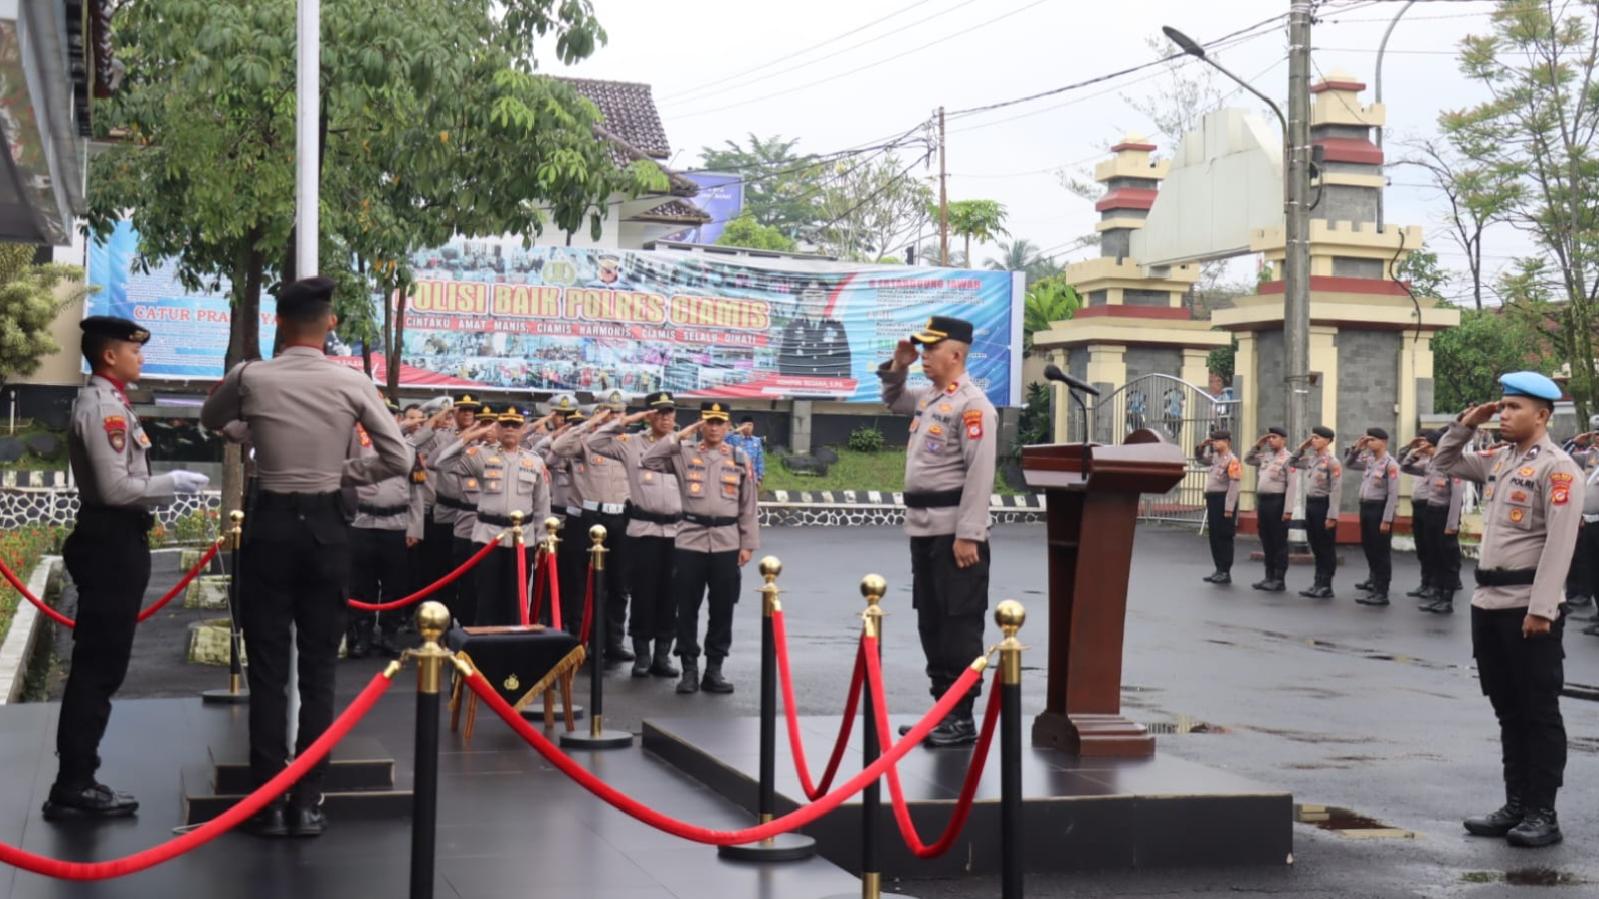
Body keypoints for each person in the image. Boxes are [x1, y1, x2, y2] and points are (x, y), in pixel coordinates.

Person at [201, 276, 411, 838]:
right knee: (319, 671)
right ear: (331, 324)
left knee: (268, 672)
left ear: (277, 323)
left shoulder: (251, 376)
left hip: (269, 526)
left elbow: (210, 419)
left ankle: (267, 802)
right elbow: (398, 455)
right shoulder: (351, 382)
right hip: (325, 529)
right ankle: (309, 800)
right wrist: (342, 472)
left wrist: (258, 435)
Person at [44, 317, 209, 821]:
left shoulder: (114, 404)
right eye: (134, 350)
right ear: (110, 356)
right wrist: (171, 483)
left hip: (117, 540)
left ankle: (78, 777)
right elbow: (115, 490)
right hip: (110, 540)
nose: (142, 357)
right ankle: (74, 783)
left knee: (102, 666)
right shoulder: (101, 409)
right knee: (98, 667)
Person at [1434, 371, 1583, 848]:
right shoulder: (1499, 460)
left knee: (1538, 711)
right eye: (1501, 405)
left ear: (1542, 415)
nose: (1503, 413)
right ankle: (1516, 804)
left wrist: (1542, 608)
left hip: (1527, 607)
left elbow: (1561, 544)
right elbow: (1444, 462)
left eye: (1514, 407)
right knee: (1507, 710)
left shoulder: (1557, 468)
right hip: (1488, 602)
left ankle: (1543, 812)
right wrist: (1465, 424)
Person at [877, 316, 996, 748]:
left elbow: (980, 476)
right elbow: (893, 400)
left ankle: (961, 716)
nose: (924, 356)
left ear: (956, 355)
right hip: (924, 530)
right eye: (922, 350)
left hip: (954, 536)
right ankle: (941, 707)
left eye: (931, 350)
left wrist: (970, 535)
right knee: (931, 621)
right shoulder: (931, 398)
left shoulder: (973, 405)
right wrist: (899, 364)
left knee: (958, 625)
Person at [641, 401, 759, 695]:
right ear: (701, 424)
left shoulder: (739, 457)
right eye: (709, 422)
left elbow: (748, 504)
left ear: (728, 425)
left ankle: (714, 669)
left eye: (720, 422)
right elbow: (648, 459)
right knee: (687, 608)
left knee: (722, 609)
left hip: (726, 542)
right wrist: (681, 435)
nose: (715, 427)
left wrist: (748, 544)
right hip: (690, 540)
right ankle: (689, 669)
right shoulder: (684, 453)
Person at [588, 391, 683, 678]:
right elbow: (595, 442)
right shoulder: (630, 445)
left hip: (677, 532)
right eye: (659, 412)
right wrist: (627, 420)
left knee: (671, 595)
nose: (665, 417)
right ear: (649, 415)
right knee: (642, 592)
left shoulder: (683, 446)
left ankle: (663, 655)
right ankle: (642, 653)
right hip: (643, 530)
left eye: (670, 412)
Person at [435, 407, 551, 626]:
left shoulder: (534, 461)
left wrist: (542, 541)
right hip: (487, 536)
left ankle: (512, 644)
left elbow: (542, 505)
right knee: (486, 596)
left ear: (523, 430)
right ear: (496, 428)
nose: (509, 429)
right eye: (504, 424)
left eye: (515, 425)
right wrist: (468, 437)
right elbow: (442, 463)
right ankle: (483, 645)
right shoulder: (480, 455)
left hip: (521, 537)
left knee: (516, 597)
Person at [555, 390, 634, 663]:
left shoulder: (628, 444)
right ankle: (582, 639)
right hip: (588, 518)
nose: (612, 418)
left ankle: (614, 640)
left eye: (617, 413)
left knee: (619, 583)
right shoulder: (584, 442)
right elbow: (557, 449)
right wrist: (588, 424)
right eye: (607, 412)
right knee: (582, 582)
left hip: (620, 517)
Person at [346, 396, 427, 658]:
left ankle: (389, 634)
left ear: (398, 419)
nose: (386, 420)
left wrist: (415, 528)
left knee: (395, 583)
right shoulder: (359, 444)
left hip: (395, 525)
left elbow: (417, 493)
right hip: (363, 522)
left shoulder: (409, 449)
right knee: (362, 583)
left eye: (391, 415)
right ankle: (364, 633)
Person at [413, 394, 482, 624]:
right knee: (441, 569)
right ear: (454, 413)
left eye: (471, 410)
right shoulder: (442, 436)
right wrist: (459, 436)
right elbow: (429, 458)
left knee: (470, 572)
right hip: (445, 510)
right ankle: (440, 618)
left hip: (473, 513)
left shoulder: (485, 438)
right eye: (463, 410)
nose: (467, 414)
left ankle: (465, 618)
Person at [1346, 428, 1399, 606]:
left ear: (1383, 442)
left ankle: (1382, 592)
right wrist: (1357, 447)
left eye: (1372, 440)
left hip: (1379, 509)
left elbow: (1392, 495)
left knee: (1381, 552)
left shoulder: (1390, 464)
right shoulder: (1369, 461)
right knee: (1369, 548)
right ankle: (1374, 586)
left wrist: (1387, 519)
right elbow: (1349, 463)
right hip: (1366, 508)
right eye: (1367, 440)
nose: (1369, 443)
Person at [1291, 426, 1341, 598]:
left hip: (1324, 506)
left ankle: (1326, 585)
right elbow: (1291, 462)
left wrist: (1332, 515)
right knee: (1316, 544)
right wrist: (1302, 447)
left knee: (1326, 546)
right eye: (1312, 437)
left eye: (1317, 438)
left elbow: (1335, 490)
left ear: (1327, 440)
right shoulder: (1312, 459)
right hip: (1311, 504)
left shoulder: (1332, 462)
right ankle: (1317, 582)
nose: (1314, 440)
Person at [1245, 426, 1296, 592]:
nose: (1271, 440)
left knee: (1278, 541)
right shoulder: (1265, 456)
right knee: (1266, 539)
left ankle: (1279, 579)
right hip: (1264, 502)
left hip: (1278, 503)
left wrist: (1288, 510)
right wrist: (1258, 444)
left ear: (1283, 439)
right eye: (1269, 437)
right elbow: (1248, 459)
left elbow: (1292, 486)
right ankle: (1269, 576)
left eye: (1274, 437)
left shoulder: (1289, 458)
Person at [1420, 431, 1465, 615]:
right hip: (1431, 511)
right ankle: (1437, 595)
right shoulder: (1432, 464)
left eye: (1429, 445)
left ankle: (1447, 599)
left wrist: (1452, 524)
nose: (1426, 449)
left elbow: (1457, 497)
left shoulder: (1452, 465)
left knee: (1448, 558)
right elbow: (1405, 464)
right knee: (1434, 555)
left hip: (1445, 514)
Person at [1197, 430, 1242, 585]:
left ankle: (1225, 571)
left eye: (1218, 441)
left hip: (1224, 501)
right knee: (1214, 536)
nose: (1214, 443)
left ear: (1227, 442)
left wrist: (1229, 507)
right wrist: (1202, 446)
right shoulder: (1215, 458)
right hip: (1213, 500)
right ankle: (1218, 569)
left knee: (1224, 536)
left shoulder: (1232, 460)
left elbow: (1234, 485)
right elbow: (1200, 460)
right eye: (1213, 441)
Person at [1399, 432, 1438, 604]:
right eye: (1421, 443)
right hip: (1418, 507)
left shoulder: (1439, 464)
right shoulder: (1422, 463)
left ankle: (1434, 585)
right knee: (1421, 547)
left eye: (1426, 444)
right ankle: (1425, 583)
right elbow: (1404, 465)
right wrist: (1412, 448)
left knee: (1432, 548)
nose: (1423, 447)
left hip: (1430, 507)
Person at [726, 416, 766, 486]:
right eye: (746, 425)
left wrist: (760, 478)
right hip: (737, 476)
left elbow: (759, 460)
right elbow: (722, 439)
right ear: (741, 426)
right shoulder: (734, 439)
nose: (748, 427)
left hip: (753, 477)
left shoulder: (757, 441)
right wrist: (737, 430)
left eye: (750, 425)